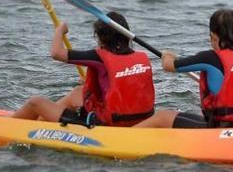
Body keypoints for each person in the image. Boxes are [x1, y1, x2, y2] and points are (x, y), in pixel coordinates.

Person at [135, 9, 233, 129]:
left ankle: (122, 139)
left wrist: (166, 56)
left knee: (162, 117)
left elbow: (169, 66)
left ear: (213, 37)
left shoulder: (210, 58)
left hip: (220, 129)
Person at [12, 12, 155, 127]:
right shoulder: (140, 57)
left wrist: (60, 30)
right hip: (142, 120)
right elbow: (120, 87)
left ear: (100, 37)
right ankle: (44, 121)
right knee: (78, 92)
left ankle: (8, 126)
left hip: (107, 124)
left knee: (35, 102)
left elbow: (56, 53)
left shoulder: (99, 57)